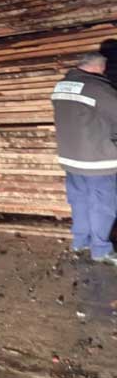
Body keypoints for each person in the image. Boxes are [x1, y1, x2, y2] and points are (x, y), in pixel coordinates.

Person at [52, 51, 117, 265]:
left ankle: (80, 242)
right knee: (103, 205)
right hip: (98, 161)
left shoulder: (61, 86)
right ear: (99, 67)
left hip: (71, 158)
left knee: (79, 201)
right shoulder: (98, 88)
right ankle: (101, 250)